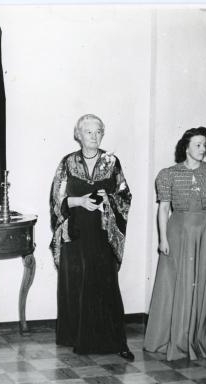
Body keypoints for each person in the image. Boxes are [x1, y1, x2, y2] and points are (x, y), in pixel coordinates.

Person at [144, 127, 206, 361]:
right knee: (176, 282)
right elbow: (164, 208)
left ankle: (205, 336)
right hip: (178, 232)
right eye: (198, 144)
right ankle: (175, 337)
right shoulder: (168, 174)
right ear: (186, 147)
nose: (202, 149)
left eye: (204, 145)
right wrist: (163, 238)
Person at [49, 114, 134, 361]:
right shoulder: (67, 162)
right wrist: (79, 201)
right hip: (75, 233)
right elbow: (56, 199)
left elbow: (124, 196)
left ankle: (117, 341)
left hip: (102, 233)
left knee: (106, 285)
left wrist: (107, 200)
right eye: (88, 132)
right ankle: (77, 338)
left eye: (98, 131)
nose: (94, 136)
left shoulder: (111, 161)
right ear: (79, 135)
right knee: (77, 283)